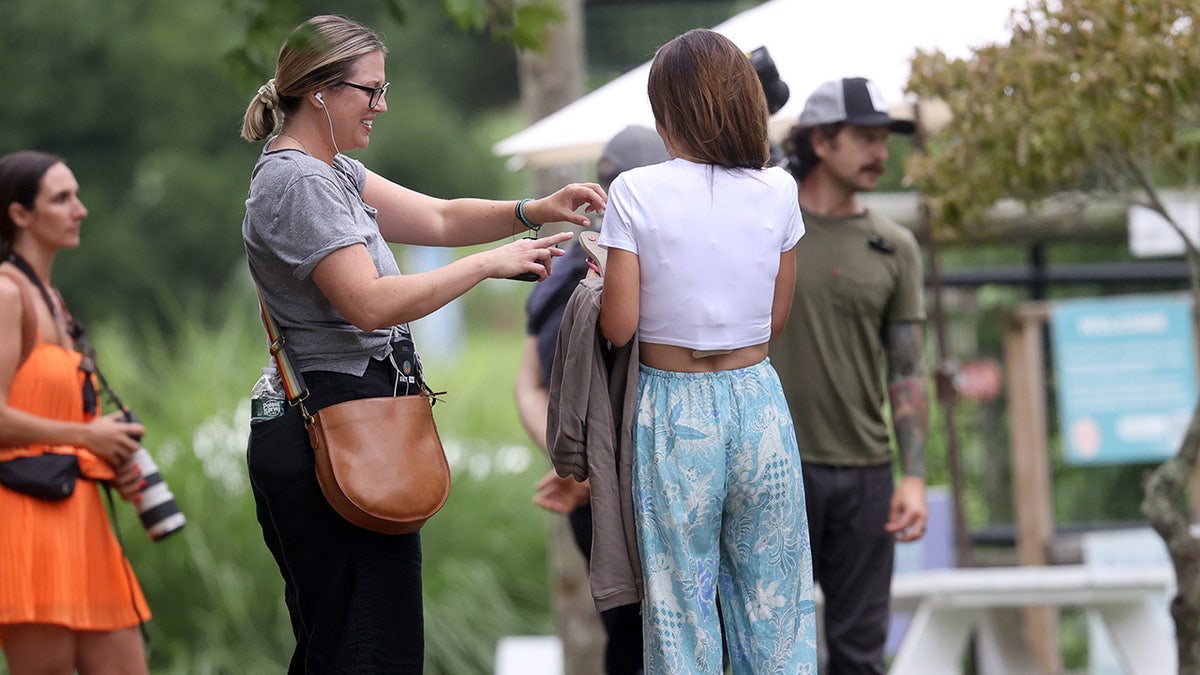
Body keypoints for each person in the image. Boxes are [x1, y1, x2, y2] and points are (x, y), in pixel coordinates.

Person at [238, 14, 605, 672]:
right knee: (362, 648)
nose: (382, 105)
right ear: (321, 90)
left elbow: (436, 216)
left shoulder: (335, 172)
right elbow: (369, 302)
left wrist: (533, 209)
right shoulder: (297, 182)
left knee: (360, 641)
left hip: (359, 419)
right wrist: (489, 264)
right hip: (334, 423)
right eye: (371, 90)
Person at [594, 28, 817, 674]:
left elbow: (618, 325)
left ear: (668, 112)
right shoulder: (778, 191)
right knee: (775, 607)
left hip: (675, 410)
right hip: (758, 403)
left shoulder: (634, 192)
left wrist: (603, 276)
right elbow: (774, 319)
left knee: (682, 612)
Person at [775, 76, 931, 674]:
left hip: (867, 476)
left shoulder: (894, 246)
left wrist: (914, 476)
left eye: (884, 139)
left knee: (861, 654)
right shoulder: (768, 229)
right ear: (820, 140)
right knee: (770, 648)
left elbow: (908, 367)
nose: (880, 153)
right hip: (775, 465)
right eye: (865, 137)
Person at [516, 124, 668, 675]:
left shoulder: (559, 275)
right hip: (617, 491)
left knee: (630, 640)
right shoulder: (597, 273)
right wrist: (578, 462)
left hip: (592, 486)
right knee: (648, 639)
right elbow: (536, 382)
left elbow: (530, 385)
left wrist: (571, 460)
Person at [0, 150, 151, 674]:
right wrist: (88, 438)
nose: (80, 209)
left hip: (83, 515)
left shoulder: (57, 302)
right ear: (19, 214)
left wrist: (105, 457)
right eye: (62, 198)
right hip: (28, 517)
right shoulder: (6, 294)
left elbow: (53, 420)